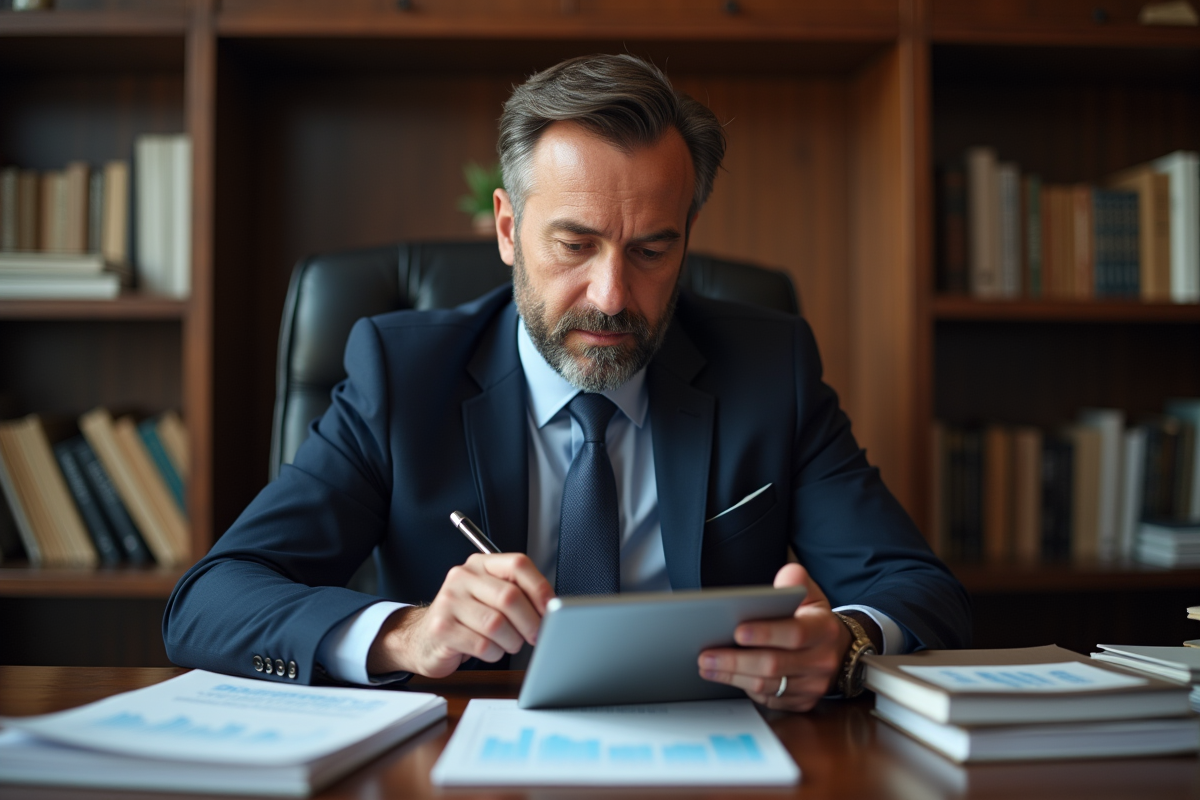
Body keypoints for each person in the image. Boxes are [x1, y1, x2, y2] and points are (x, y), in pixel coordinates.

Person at [164, 54, 970, 712]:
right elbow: (211, 600)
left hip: (712, 752)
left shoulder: (772, 367)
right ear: (509, 230)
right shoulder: (401, 373)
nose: (612, 297)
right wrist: (407, 634)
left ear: (687, 241)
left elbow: (921, 591)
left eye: (652, 251)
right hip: (467, 750)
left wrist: (846, 645)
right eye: (575, 245)